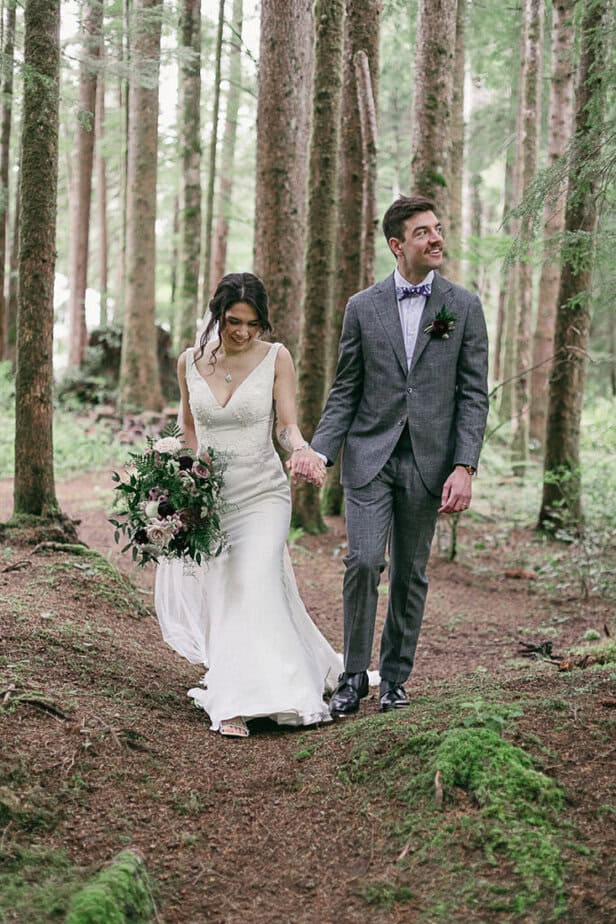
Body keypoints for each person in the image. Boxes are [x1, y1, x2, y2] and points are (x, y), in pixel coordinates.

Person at [289, 195, 489, 717]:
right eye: (423, 232)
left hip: (430, 463)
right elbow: (345, 390)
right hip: (369, 457)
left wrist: (464, 466)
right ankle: (354, 675)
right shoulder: (362, 307)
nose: (436, 238)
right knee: (361, 562)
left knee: (410, 573)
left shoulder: (463, 307)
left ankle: (395, 679)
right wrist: (320, 451)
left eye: (439, 228)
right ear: (398, 245)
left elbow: (473, 394)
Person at [155, 272, 338, 738]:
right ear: (217, 316)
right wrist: (183, 481)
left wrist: (301, 449)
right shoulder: (188, 363)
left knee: (252, 576)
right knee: (226, 589)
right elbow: (189, 429)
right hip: (212, 498)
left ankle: (270, 693)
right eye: (233, 321)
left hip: (263, 493)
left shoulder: (277, 358)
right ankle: (236, 689)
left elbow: (285, 427)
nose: (242, 332)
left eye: (253, 324)